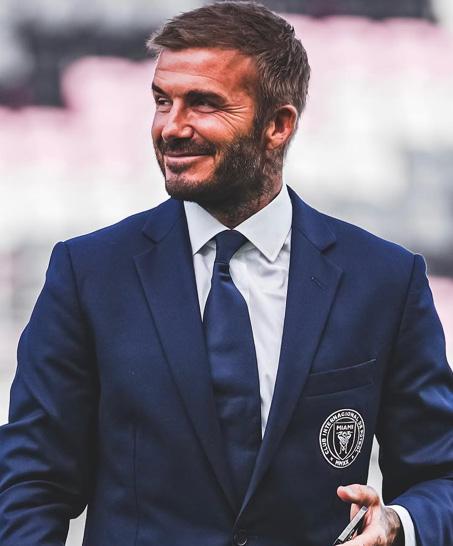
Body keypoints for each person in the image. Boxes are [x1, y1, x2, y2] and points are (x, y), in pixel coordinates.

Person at [0, 2, 452, 545]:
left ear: (278, 125)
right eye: (162, 101)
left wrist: (399, 524)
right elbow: (31, 482)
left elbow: (440, 474)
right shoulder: (88, 274)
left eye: (203, 103)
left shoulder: (385, 280)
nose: (171, 127)